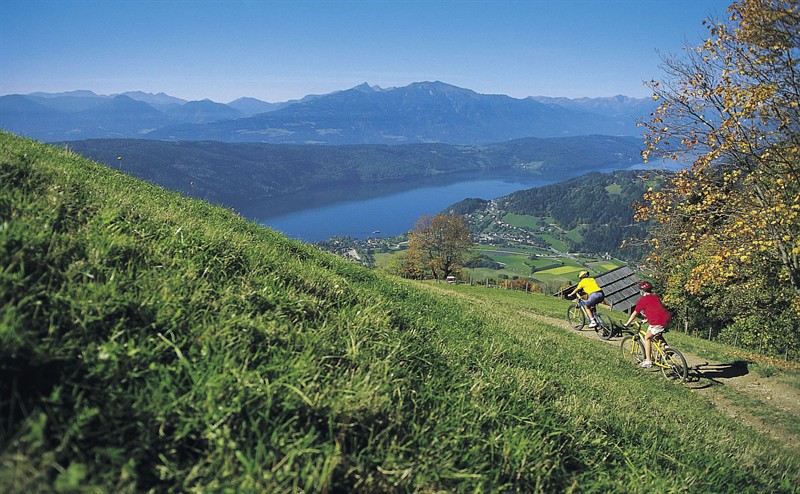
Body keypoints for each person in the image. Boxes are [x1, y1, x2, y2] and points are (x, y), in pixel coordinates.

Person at [623, 281, 672, 368]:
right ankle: (666, 348)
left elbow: (634, 313)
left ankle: (648, 361)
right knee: (656, 334)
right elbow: (656, 310)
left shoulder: (643, 300)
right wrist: (646, 320)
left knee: (647, 338)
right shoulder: (655, 297)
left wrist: (627, 323)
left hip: (657, 322)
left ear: (642, 291)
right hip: (667, 319)